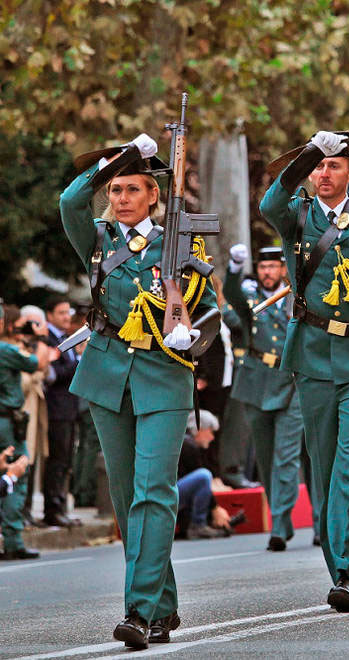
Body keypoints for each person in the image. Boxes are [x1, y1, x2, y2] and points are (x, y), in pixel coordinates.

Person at [60, 134, 218, 648]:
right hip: (108, 374)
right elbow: (68, 201)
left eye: (132, 188)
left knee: (154, 491)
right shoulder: (98, 237)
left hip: (163, 371)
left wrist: (185, 328)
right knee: (128, 496)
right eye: (115, 188)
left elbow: (206, 302)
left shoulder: (183, 240)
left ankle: (139, 609)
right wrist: (119, 157)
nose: (120, 197)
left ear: (154, 194)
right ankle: (163, 604)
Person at [260, 130, 349, 613]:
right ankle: (337, 563)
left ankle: (347, 572)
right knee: (323, 469)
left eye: (333, 165)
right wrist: (303, 155)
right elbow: (268, 203)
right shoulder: (296, 215)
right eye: (319, 167)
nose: (324, 174)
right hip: (313, 355)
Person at [224, 244, 305, 552]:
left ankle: (280, 524)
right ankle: (279, 518)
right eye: (262, 268)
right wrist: (234, 268)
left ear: (283, 269)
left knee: (286, 458)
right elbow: (231, 298)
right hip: (256, 381)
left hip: (291, 382)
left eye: (273, 267)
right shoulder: (250, 297)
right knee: (266, 457)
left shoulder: (295, 296)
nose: (268, 273)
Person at [0, 304, 55, 560]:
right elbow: (38, 363)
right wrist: (41, 337)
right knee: (17, 472)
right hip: (7, 423)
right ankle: (12, 541)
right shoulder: (4, 351)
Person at [43, 298, 82, 527]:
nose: (66, 317)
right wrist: (78, 359)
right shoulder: (49, 339)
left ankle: (60, 506)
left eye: (68, 312)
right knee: (57, 461)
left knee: (65, 460)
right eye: (61, 313)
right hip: (56, 410)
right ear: (50, 315)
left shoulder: (63, 337)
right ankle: (53, 508)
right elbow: (54, 374)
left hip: (68, 409)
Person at [176, 410, 233, 540]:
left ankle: (196, 523)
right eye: (211, 431)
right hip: (169, 492)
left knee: (202, 478)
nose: (212, 437)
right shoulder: (188, 446)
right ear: (199, 428)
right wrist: (216, 509)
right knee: (203, 476)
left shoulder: (185, 442)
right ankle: (198, 524)